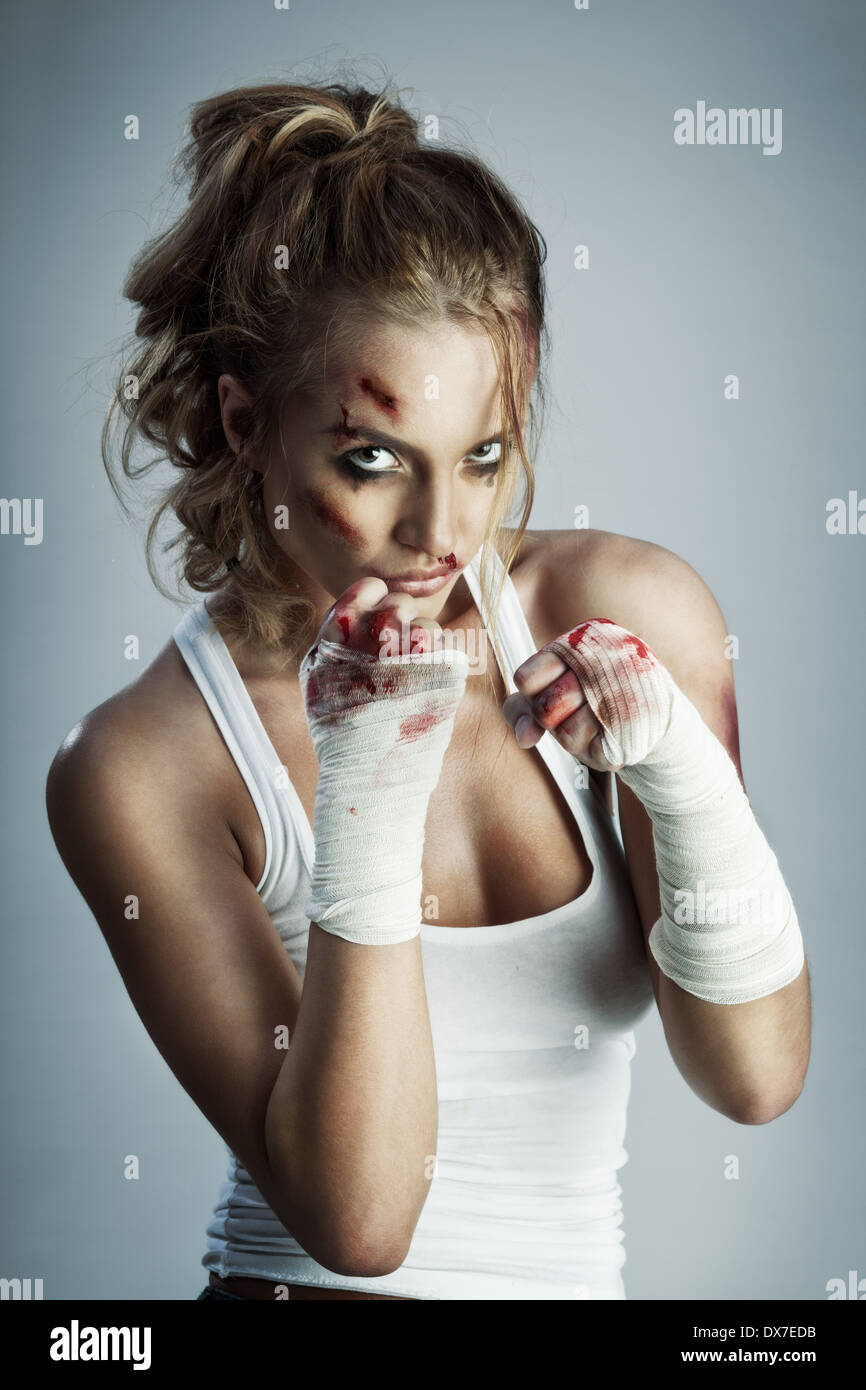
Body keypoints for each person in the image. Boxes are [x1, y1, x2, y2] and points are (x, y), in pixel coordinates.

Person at [45, 77, 811, 1301]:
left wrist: (679, 776)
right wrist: (365, 790)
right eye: (371, 459)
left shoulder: (628, 615)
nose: (442, 531)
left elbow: (754, 1081)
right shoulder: (146, 765)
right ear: (248, 423)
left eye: (484, 456)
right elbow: (360, 1220)